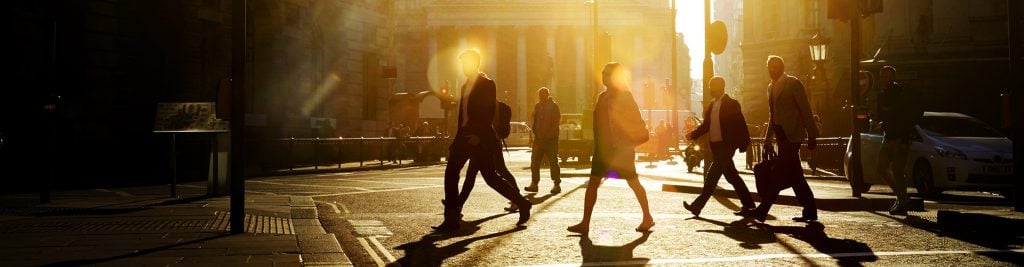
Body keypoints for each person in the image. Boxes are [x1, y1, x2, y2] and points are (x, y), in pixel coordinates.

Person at [433, 49, 531, 231]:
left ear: (475, 63)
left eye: (466, 63)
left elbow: (487, 112)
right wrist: (458, 138)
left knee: (491, 178)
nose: (463, 67)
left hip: (480, 138)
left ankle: (522, 203)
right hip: (464, 137)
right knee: (451, 172)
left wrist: (478, 136)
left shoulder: (487, 84)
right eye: (462, 63)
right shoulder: (464, 86)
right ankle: (451, 218)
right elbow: (463, 115)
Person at [567, 62, 655, 234]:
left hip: (621, 150)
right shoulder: (603, 97)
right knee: (592, 184)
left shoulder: (625, 96)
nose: (603, 75)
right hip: (603, 150)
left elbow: (635, 121)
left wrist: (627, 143)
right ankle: (585, 223)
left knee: (634, 182)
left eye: (607, 73)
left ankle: (647, 217)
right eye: (603, 72)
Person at [742, 55, 820, 223]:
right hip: (781, 137)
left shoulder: (793, 83)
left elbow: (805, 110)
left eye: (776, 66)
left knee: (777, 174)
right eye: (770, 67)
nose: (772, 70)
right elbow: (773, 115)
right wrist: (768, 139)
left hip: (793, 136)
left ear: (782, 67)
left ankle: (763, 210)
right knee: (796, 177)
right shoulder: (770, 87)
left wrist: (812, 134)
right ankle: (810, 211)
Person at [682, 76, 755, 217]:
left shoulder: (731, 103)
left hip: (727, 146)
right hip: (716, 147)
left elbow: (740, 123)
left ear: (721, 86)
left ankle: (697, 206)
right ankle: (749, 205)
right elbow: (706, 126)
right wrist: (693, 134)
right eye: (710, 86)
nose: (710, 89)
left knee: (712, 176)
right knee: (732, 176)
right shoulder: (712, 105)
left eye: (712, 86)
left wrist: (744, 143)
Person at [875, 66, 922, 215]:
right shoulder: (882, 95)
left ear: (893, 78)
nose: (884, 79)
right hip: (889, 136)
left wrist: (905, 135)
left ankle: (902, 201)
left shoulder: (902, 93)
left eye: (887, 77)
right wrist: (880, 122)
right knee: (881, 167)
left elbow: (909, 115)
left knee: (897, 170)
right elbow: (884, 115)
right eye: (882, 77)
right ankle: (902, 198)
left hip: (901, 137)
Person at [526, 87, 562, 194]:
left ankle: (556, 184)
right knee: (534, 161)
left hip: (550, 139)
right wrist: (535, 132)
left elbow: (556, 123)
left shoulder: (553, 106)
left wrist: (549, 135)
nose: (540, 97)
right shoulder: (537, 106)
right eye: (539, 95)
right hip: (539, 139)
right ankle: (534, 183)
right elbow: (535, 120)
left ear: (547, 95)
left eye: (542, 95)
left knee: (553, 162)